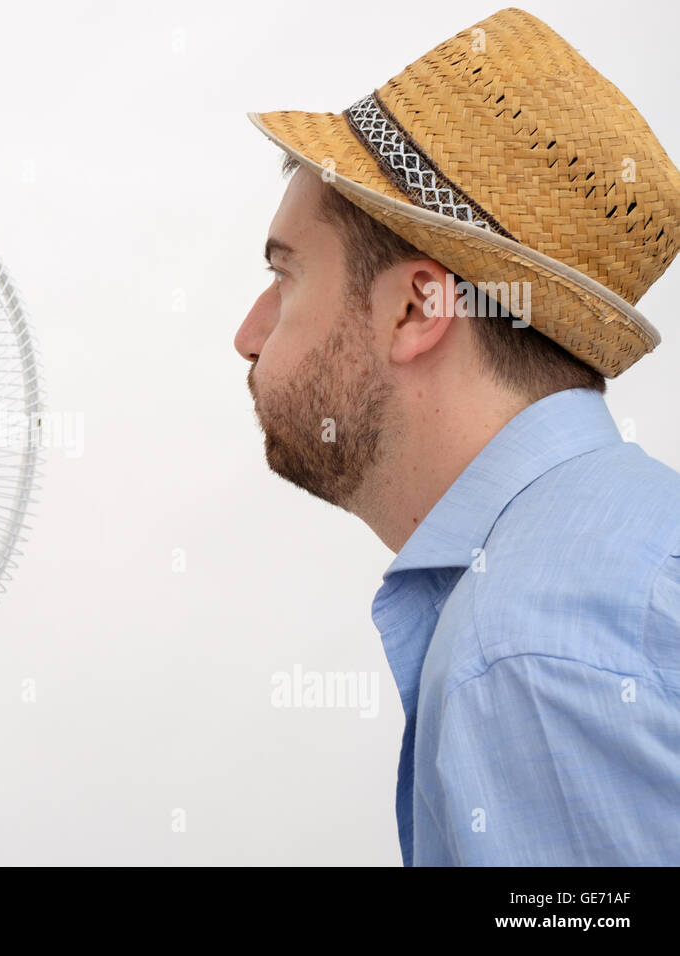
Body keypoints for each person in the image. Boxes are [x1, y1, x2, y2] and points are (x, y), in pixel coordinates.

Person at [235, 6, 680, 865]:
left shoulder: (526, 656)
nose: (249, 334)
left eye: (283, 275)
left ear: (416, 309)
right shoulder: (641, 542)